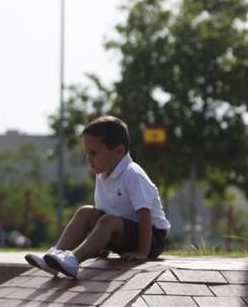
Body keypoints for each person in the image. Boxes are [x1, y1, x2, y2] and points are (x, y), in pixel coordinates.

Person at [25, 116, 171, 278]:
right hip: (123, 235)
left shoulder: (132, 173)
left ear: (118, 151)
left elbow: (145, 214)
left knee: (108, 220)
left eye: (94, 153)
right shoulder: (102, 175)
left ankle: (73, 260)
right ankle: (54, 257)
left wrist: (143, 251)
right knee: (86, 212)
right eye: (86, 153)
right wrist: (101, 246)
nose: (89, 159)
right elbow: (102, 211)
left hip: (150, 238)